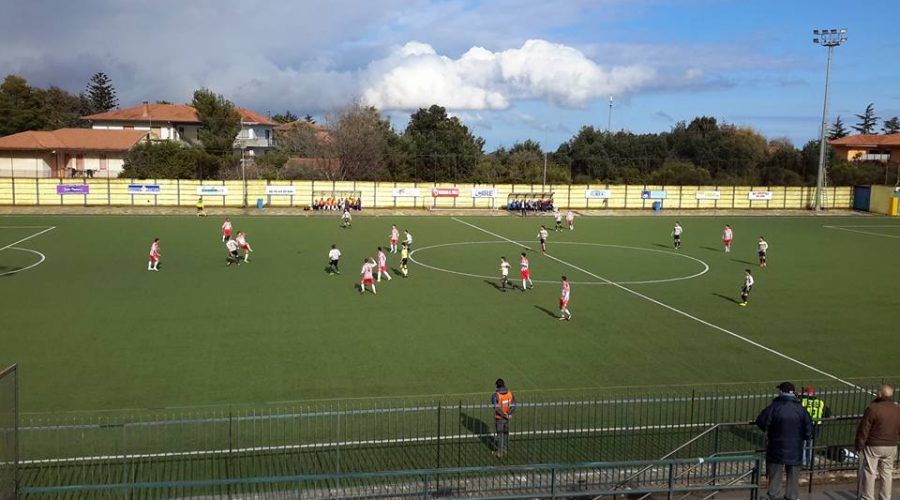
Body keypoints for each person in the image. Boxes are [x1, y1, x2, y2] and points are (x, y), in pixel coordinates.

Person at [755, 382, 813, 500]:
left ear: (782, 391)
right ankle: (792, 497)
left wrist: (771, 430)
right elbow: (809, 429)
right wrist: (803, 437)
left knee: (775, 475)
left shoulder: (775, 406)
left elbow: (761, 421)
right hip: (795, 448)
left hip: (777, 446)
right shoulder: (800, 408)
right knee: (793, 477)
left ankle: (774, 496)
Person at [855, 384, 900, 500]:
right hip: (891, 445)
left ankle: (868, 497)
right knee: (887, 473)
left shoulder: (873, 408)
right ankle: (885, 497)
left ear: (880, 394)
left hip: (874, 444)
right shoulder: (897, 409)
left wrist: (859, 444)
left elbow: (864, 428)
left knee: (870, 472)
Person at [799, 387, 831, 465]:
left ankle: (802, 462)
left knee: (803, 443)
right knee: (811, 444)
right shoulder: (820, 402)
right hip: (816, 425)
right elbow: (827, 414)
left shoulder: (802, 401)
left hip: (804, 425)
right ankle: (809, 461)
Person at [491, 379, 516, 458]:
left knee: (500, 434)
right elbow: (514, 405)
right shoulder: (510, 393)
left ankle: (500, 452)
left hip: (500, 417)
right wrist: (508, 414)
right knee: (505, 433)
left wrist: (504, 415)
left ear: (497, 385)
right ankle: (505, 449)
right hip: (507, 417)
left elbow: (496, 408)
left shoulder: (496, 395)